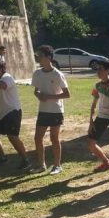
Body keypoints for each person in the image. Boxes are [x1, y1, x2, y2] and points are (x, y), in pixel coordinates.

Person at [30, 45, 70, 175]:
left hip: (56, 111)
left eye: (40, 56)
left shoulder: (58, 74)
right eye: (37, 56)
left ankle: (57, 165)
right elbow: (36, 91)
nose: (38, 58)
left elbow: (67, 94)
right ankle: (41, 165)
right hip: (43, 110)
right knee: (38, 138)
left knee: (54, 138)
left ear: (48, 57)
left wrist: (48, 97)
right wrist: (39, 95)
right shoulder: (37, 73)